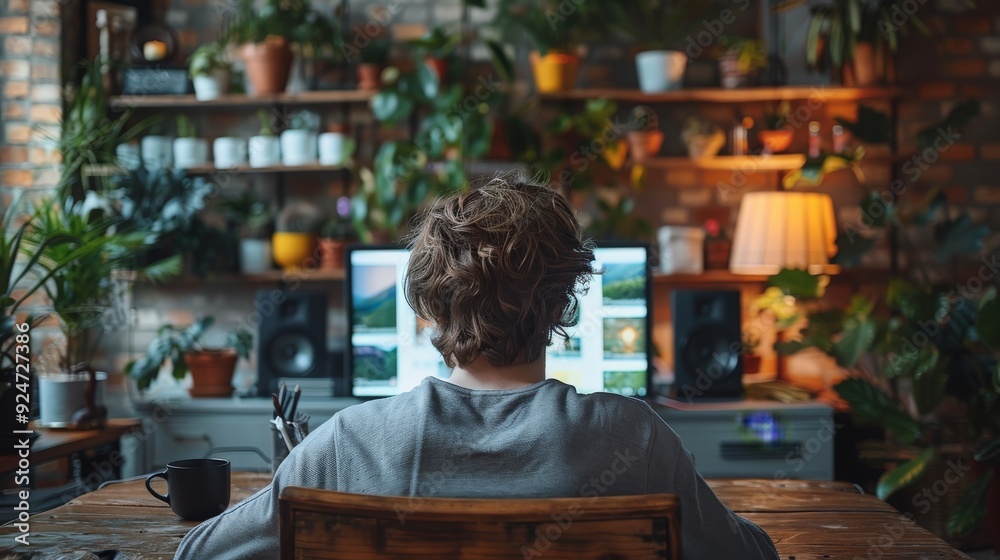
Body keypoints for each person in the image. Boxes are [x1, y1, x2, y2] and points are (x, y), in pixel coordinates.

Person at [174, 176, 779, 560]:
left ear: (430, 308)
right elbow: (749, 556)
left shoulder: (348, 442)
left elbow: (200, 553)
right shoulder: (632, 437)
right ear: (562, 301)